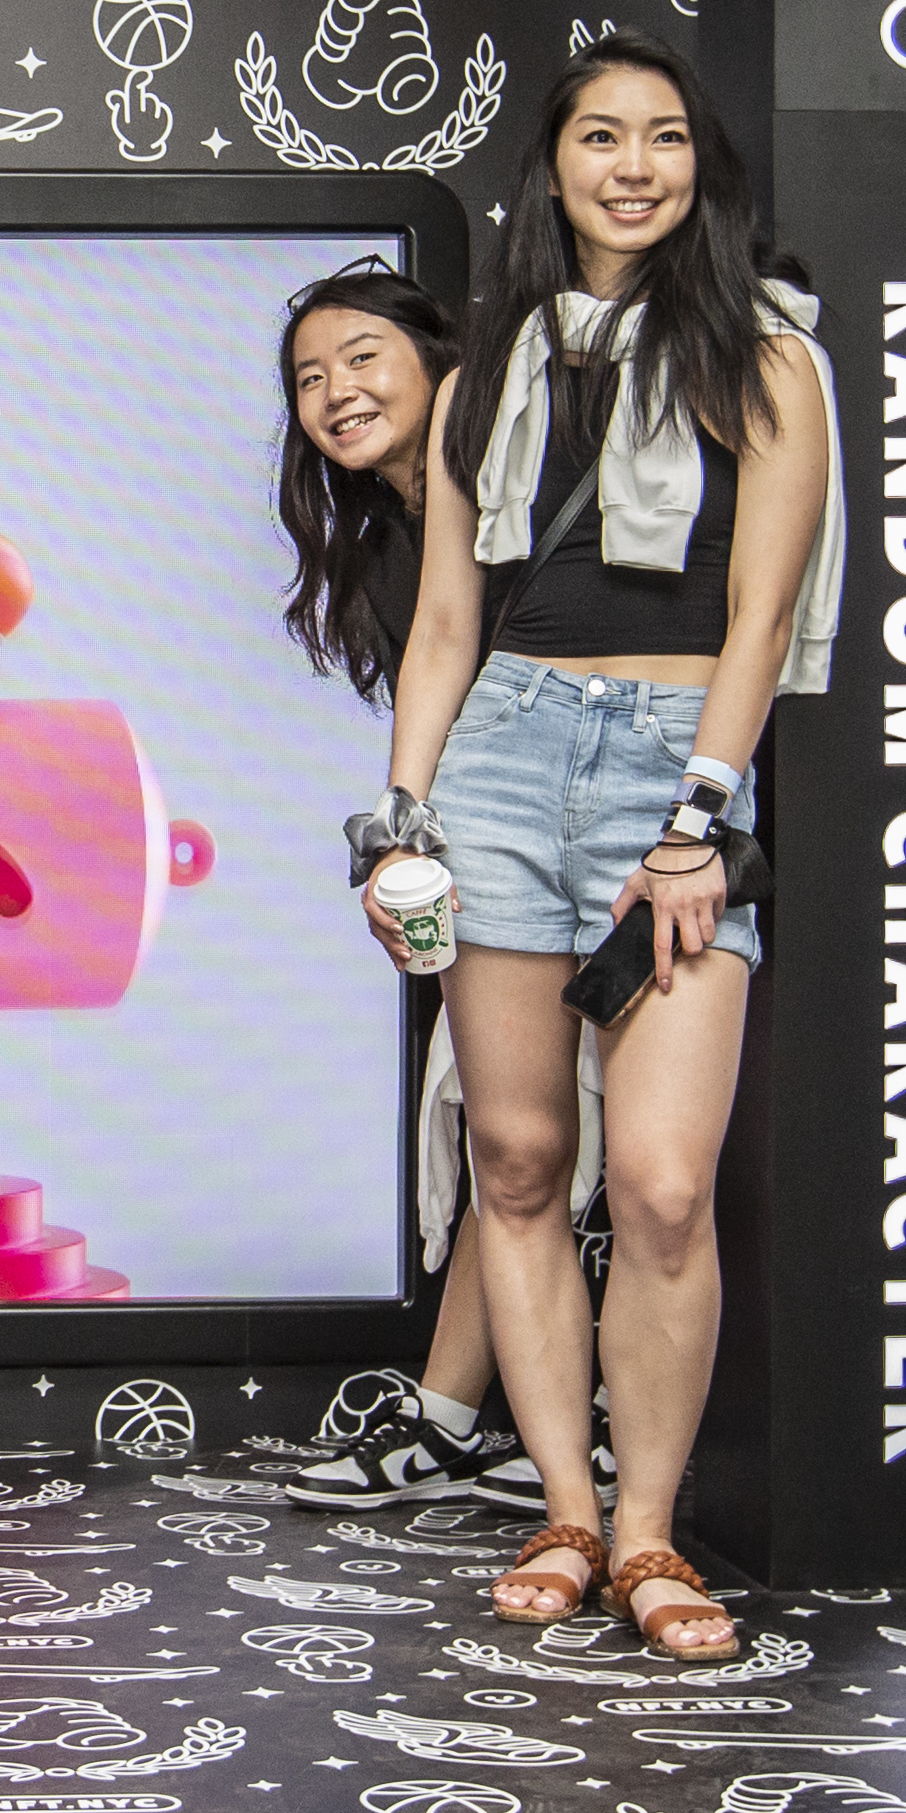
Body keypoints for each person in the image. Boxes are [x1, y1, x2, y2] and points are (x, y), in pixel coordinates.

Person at [362, 32, 840, 1655]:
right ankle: (568, 1508)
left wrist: (701, 820)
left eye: (664, 140)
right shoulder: (487, 374)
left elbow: (762, 617)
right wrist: (401, 816)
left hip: (670, 774)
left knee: (661, 1181)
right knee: (513, 1160)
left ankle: (652, 1530)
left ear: (703, 168)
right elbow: (442, 621)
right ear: (550, 165)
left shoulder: (770, 360)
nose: (631, 166)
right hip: (497, 761)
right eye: (598, 138)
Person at [268, 264, 544, 1513]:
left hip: (593, 853)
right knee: (513, 1147)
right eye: (311, 378)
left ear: (443, 359)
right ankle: (467, 1422)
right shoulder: (379, 542)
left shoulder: (523, 485)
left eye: (365, 357)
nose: (338, 391)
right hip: (476, 866)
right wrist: (405, 849)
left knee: (550, 1155)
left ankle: (495, 1428)